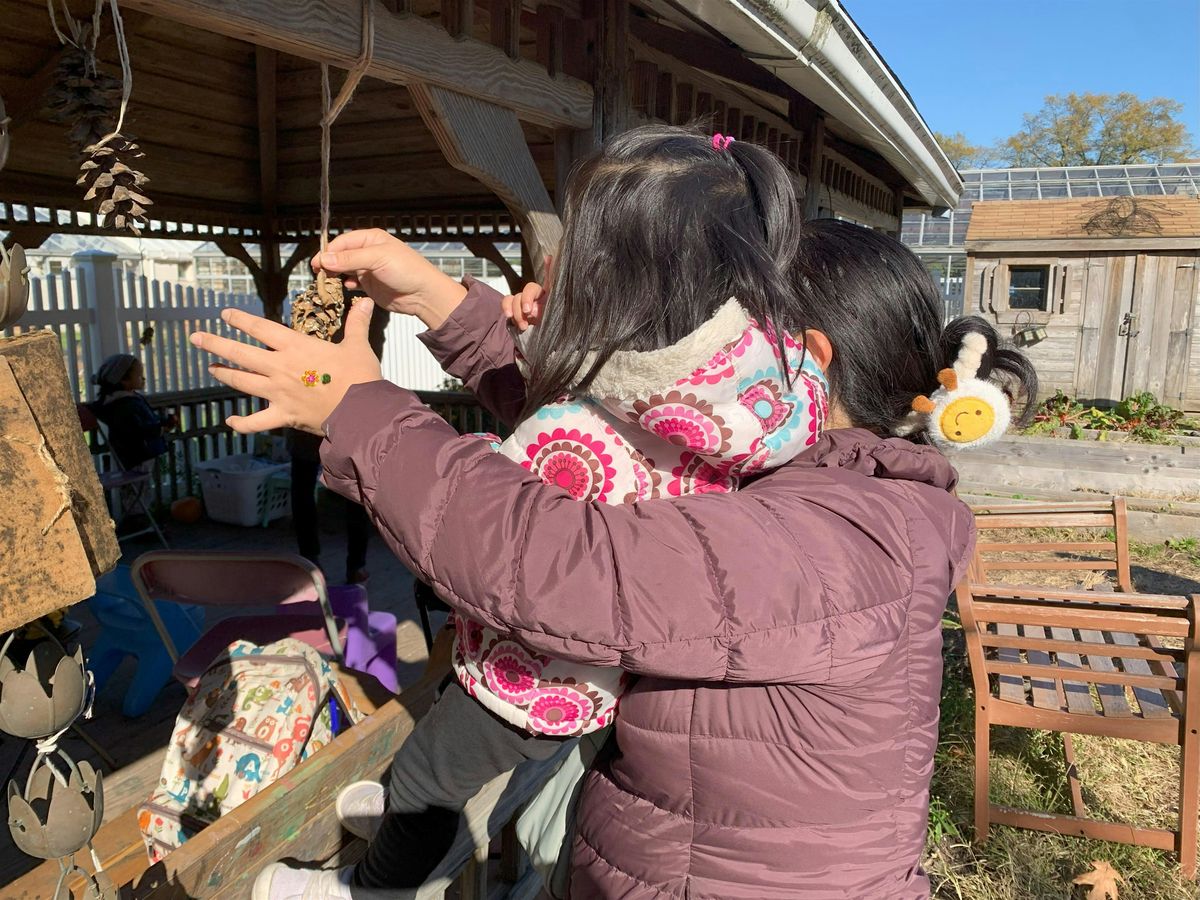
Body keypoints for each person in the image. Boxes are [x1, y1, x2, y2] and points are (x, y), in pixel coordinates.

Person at [192, 125, 1036, 900]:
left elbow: (565, 562)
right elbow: (605, 436)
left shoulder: (842, 537)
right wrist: (442, 302)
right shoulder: (780, 461)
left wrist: (359, 409)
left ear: (801, 357)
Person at [286, 301, 389, 584]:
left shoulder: (367, 312)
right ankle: (317, 559)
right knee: (327, 492)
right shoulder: (313, 314)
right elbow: (310, 375)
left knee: (352, 493)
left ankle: (343, 562)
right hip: (317, 418)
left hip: (343, 417)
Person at [90, 353, 175, 470]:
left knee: (138, 485)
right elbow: (137, 430)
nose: (143, 378)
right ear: (124, 380)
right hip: (137, 456)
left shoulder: (127, 400)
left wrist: (162, 423)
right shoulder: (125, 405)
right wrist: (161, 428)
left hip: (137, 455)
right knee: (138, 484)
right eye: (139, 376)